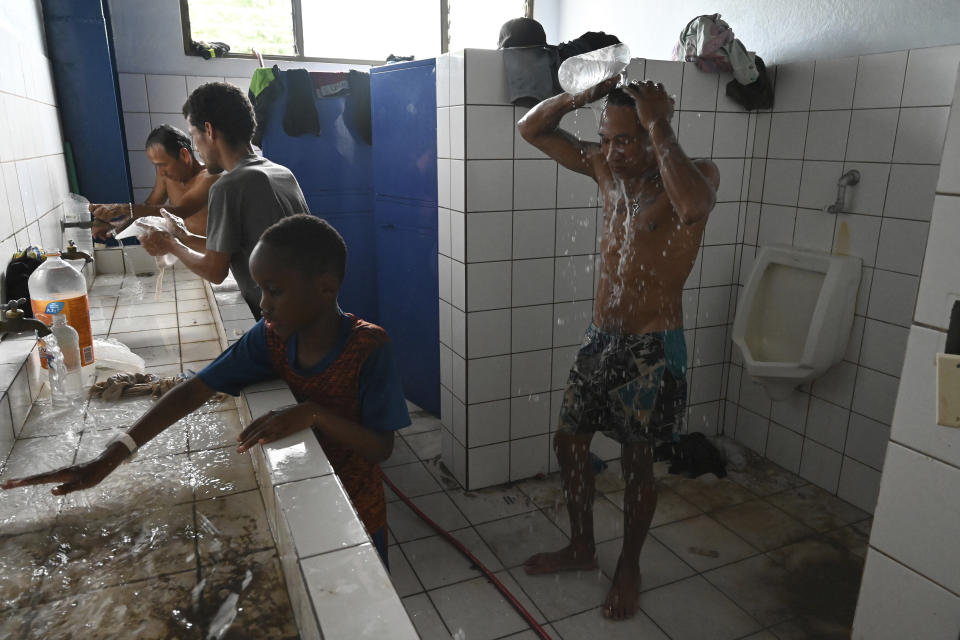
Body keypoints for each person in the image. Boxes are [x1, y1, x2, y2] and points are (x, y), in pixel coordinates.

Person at [2, 214, 410, 565]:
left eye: (276, 290)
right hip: (306, 498)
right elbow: (193, 391)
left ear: (325, 287)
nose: (264, 305)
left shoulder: (367, 348)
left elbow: (380, 447)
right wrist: (113, 454)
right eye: (261, 289)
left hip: (359, 504)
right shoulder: (271, 338)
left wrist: (313, 414)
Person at [516, 79, 719, 620]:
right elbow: (530, 128)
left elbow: (695, 207)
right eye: (606, 139)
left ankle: (629, 564)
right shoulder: (606, 169)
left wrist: (657, 123)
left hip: (653, 344)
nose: (612, 152)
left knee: (637, 463)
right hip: (601, 337)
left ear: (657, 135)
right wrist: (580, 96)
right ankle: (582, 546)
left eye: (626, 140)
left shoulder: (693, 176)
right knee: (570, 442)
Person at [140, 82, 309, 319]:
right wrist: (183, 237)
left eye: (193, 135)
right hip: (310, 311)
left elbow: (214, 270)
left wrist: (170, 245)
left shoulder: (228, 187)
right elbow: (232, 250)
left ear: (208, 130)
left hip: (282, 322)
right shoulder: (281, 173)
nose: (196, 147)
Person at [89, 124, 219, 241]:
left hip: (214, 256)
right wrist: (114, 226)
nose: (161, 172)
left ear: (184, 155)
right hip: (188, 254)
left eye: (163, 164)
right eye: (157, 165)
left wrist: (123, 209)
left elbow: (181, 211)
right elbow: (150, 206)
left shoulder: (210, 177)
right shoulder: (166, 176)